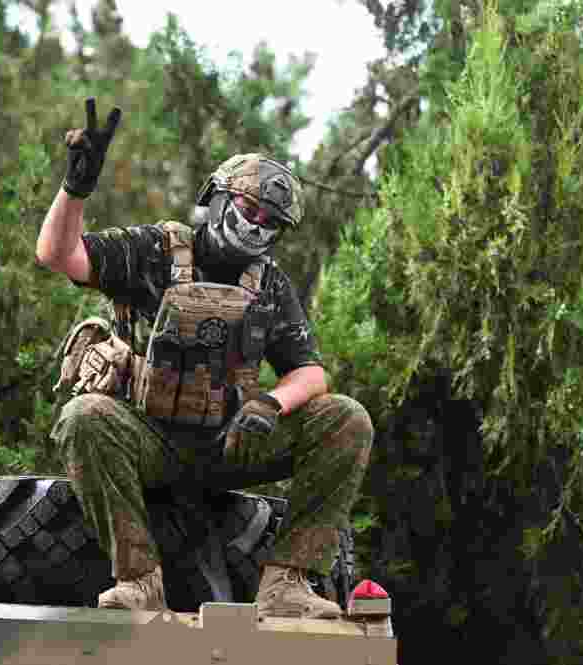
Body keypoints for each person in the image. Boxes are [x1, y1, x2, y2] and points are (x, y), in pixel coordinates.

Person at [36, 98, 373, 619]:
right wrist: (75, 188)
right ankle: (139, 581)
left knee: (346, 418)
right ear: (214, 198)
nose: (256, 226)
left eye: (270, 221)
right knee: (84, 417)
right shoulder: (154, 250)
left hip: (229, 443)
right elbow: (58, 255)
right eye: (248, 209)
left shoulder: (269, 284)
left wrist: (270, 404)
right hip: (149, 438)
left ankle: (287, 583)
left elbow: (309, 372)